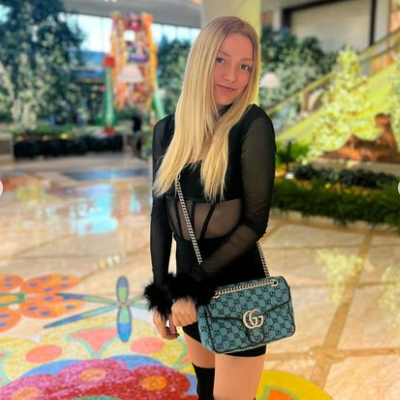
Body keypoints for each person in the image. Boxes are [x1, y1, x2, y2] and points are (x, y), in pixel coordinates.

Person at [143, 16, 276, 400]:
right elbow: (160, 215)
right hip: (186, 290)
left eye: (245, 66)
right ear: (201, 60)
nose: (232, 75)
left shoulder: (252, 125)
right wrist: (162, 294)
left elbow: (254, 222)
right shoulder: (167, 131)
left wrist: (190, 290)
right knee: (205, 388)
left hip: (237, 291)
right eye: (221, 60)